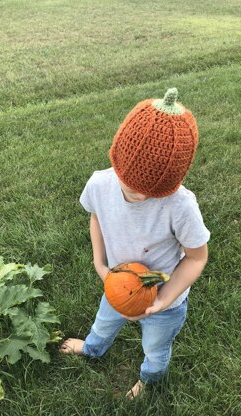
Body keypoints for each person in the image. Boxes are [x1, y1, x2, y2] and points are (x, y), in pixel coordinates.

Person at [60, 88, 210, 399]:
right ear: (117, 158)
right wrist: (100, 264)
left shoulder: (181, 206)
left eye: (155, 190)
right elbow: (97, 218)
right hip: (117, 283)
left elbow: (196, 257)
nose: (141, 195)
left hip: (164, 298)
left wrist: (163, 301)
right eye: (132, 185)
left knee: (156, 347)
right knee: (103, 323)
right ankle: (92, 348)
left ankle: (150, 380)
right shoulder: (100, 184)